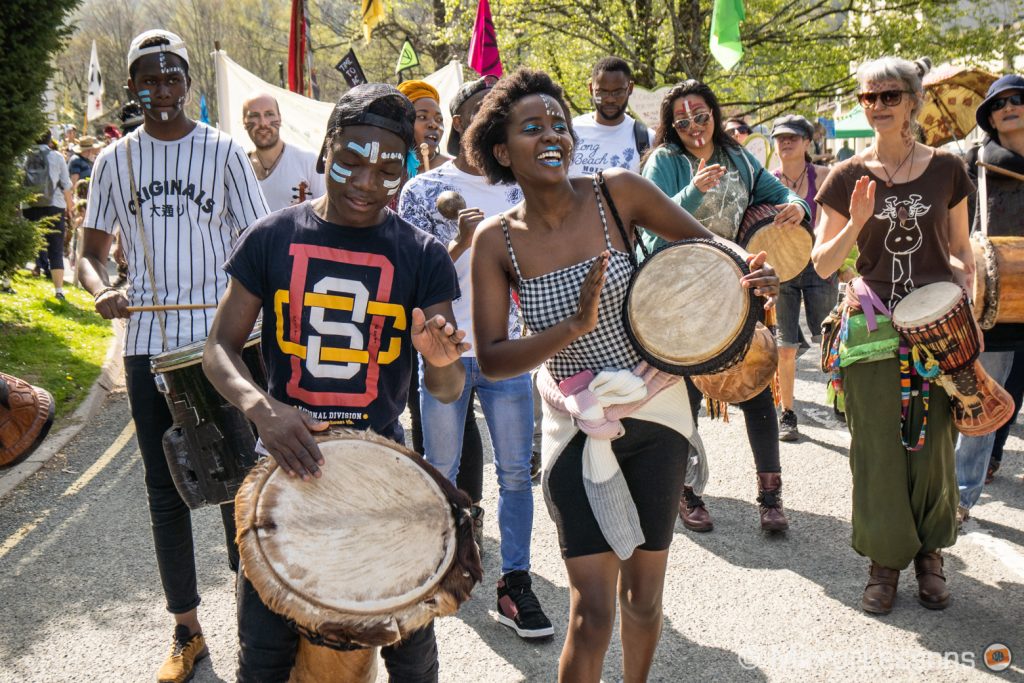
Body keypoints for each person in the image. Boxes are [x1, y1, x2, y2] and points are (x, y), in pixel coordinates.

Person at [467, 67, 779, 682]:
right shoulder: (494, 241)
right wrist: (570, 330)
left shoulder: (618, 192)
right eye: (533, 128)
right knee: (590, 614)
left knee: (643, 597)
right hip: (574, 420)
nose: (552, 134)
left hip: (657, 406)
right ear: (503, 151)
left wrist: (753, 270)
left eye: (559, 122)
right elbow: (496, 356)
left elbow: (709, 252)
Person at [202, 82, 467, 683]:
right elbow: (218, 350)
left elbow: (447, 391)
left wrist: (441, 360)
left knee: (411, 650)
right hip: (285, 468)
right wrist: (263, 408)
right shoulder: (271, 237)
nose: (368, 182)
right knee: (264, 651)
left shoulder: (423, 256)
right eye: (351, 158)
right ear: (326, 149)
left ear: (408, 167)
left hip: (383, 468)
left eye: (388, 168)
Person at [77, 29, 268, 683]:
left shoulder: (223, 153)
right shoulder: (114, 163)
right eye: (149, 80)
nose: (162, 91)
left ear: (188, 82)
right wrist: (104, 289)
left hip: (220, 345)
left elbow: (258, 244)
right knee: (166, 491)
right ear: (132, 86)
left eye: (172, 77)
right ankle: (187, 630)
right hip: (147, 349)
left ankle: (256, 622)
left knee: (236, 483)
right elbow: (90, 252)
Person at [812, 57, 974, 615]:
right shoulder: (844, 176)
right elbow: (823, 263)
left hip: (938, 324)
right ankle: (884, 563)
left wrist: (966, 289)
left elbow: (959, 247)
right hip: (873, 324)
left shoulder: (948, 169)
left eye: (888, 96)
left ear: (912, 100)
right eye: (867, 97)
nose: (877, 105)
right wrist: (856, 222)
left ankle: (930, 556)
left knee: (932, 448)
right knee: (877, 448)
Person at [399, 77, 554, 641]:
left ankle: (515, 584)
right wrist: (461, 243)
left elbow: (539, 267)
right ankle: (441, 571)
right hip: (442, 351)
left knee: (516, 473)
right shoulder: (423, 188)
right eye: (481, 111)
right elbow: (408, 276)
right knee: (439, 474)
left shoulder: (520, 188)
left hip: (504, 353)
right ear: (464, 121)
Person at [641, 79, 809, 533]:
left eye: (701, 116)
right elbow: (649, 228)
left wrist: (795, 206)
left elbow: (779, 192)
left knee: (756, 387)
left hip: (737, 287)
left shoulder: (737, 156)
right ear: (671, 126)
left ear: (713, 114)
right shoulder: (664, 161)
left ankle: (771, 498)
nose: (694, 127)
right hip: (682, 294)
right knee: (687, 397)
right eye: (682, 121)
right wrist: (692, 191)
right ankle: (687, 491)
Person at [954, 74, 1024, 522]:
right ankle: (959, 500)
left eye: (1018, 99)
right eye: (1000, 104)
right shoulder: (975, 164)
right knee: (983, 407)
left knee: (1009, 403)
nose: (1009, 107)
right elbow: (958, 235)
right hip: (998, 306)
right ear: (990, 118)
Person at [770, 114, 835, 440]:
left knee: (831, 337)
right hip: (782, 270)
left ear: (808, 142)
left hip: (819, 265)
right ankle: (788, 412)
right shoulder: (768, 180)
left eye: (793, 137)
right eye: (780, 137)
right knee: (785, 346)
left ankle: (841, 396)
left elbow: (828, 224)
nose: (786, 142)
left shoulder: (824, 175)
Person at [569, 56, 653, 176]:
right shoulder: (570, 131)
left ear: (630, 88)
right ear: (590, 89)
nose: (610, 99)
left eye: (618, 92)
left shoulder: (647, 139)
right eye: (602, 92)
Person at [242, 93, 325, 211]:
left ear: (279, 118)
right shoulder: (238, 167)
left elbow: (325, 213)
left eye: (269, 114)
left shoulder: (310, 162)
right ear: (244, 122)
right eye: (254, 116)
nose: (263, 123)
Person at [23, 130, 72, 301]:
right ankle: (59, 290)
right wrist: (70, 207)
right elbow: (66, 184)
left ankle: (6, 282)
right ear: (50, 140)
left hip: (28, 206)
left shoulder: (23, 156)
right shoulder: (57, 156)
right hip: (54, 206)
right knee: (55, 249)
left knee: (23, 247)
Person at [397, 80, 451, 170]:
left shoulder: (452, 171)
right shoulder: (386, 167)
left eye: (439, 119)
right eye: (422, 117)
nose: (434, 125)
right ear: (403, 121)